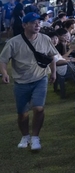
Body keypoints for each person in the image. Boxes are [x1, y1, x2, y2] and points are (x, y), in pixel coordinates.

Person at [0, 12, 58, 151]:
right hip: (21, 82)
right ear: (24, 25)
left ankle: (35, 137)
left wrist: (54, 72)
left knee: (38, 108)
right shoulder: (14, 42)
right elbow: (3, 60)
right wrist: (4, 73)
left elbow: (51, 56)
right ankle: (25, 136)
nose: (37, 25)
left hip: (40, 78)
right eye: (33, 22)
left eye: (38, 22)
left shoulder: (44, 39)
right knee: (22, 113)